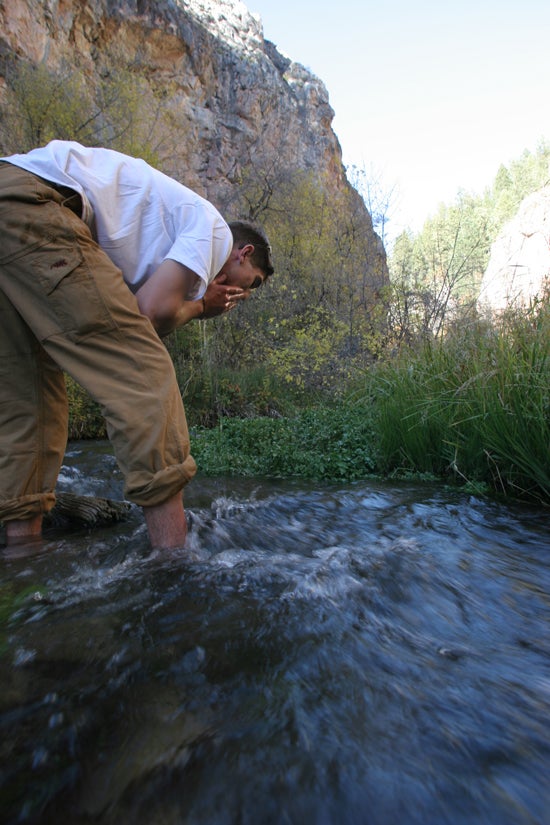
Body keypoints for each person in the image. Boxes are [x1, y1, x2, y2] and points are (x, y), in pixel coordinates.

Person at [0, 140, 274, 552]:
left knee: (32, 399)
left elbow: (129, 316)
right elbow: (149, 316)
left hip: (11, 195)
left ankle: (22, 560)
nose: (241, 293)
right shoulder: (214, 229)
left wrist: (192, 303)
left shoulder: (163, 241)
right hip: (38, 203)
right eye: (249, 283)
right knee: (145, 373)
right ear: (243, 254)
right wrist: (201, 307)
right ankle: (174, 564)